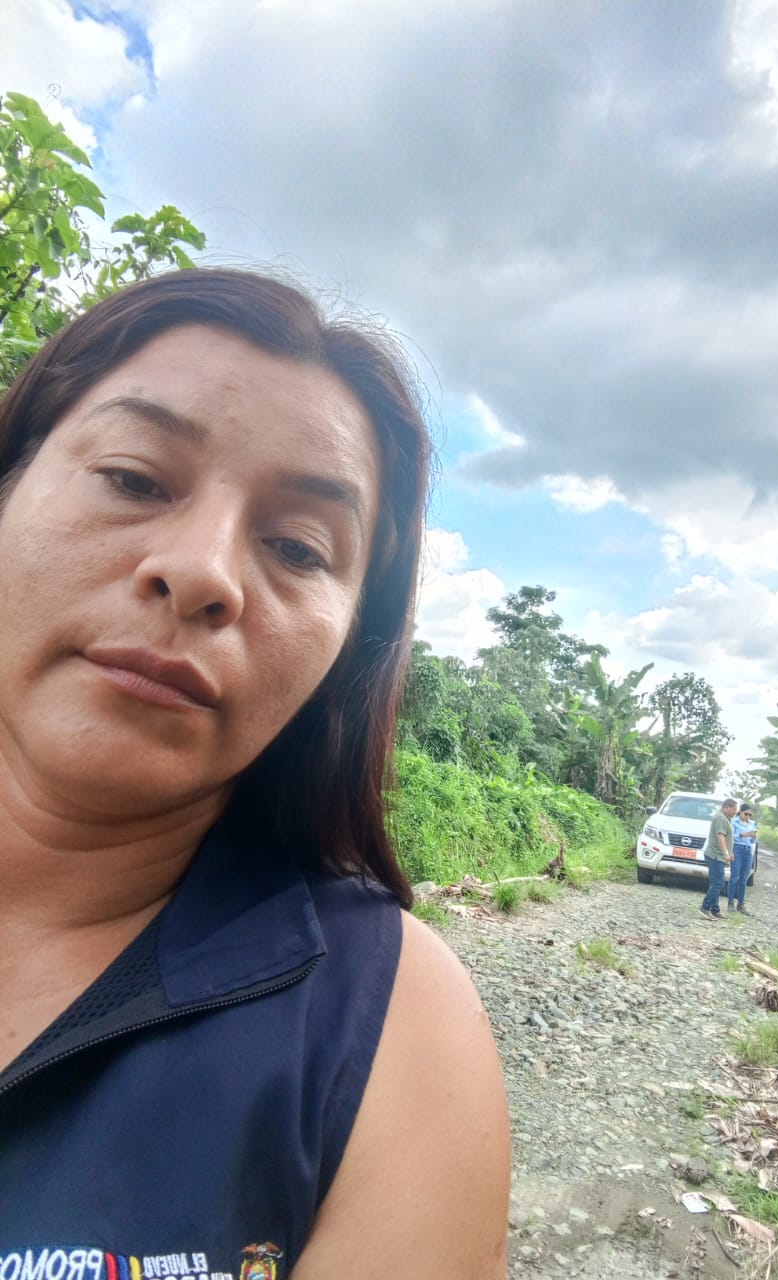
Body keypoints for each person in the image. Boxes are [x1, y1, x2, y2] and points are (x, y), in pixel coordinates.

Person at [0, 269, 511, 1277]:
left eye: (297, 547)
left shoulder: (387, 1027)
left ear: (346, 652)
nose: (201, 572)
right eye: (134, 479)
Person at [699, 798, 737, 921]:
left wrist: (730, 852)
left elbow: (727, 837)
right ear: (726, 807)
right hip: (715, 855)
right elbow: (720, 836)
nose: (735, 812)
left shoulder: (726, 818)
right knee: (718, 883)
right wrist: (726, 853)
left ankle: (715, 909)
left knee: (715, 883)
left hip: (719, 855)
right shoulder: (721, 818)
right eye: (734, 809)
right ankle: (705, 907)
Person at [728, 802, 758, 914]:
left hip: (748, 850)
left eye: (750, 815)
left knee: (744, 879)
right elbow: (730, 836)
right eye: (746, 814)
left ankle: (741, 904)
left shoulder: (752, 824)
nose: (747, 816)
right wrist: (741, 834)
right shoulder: (734, 822)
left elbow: (754, 840)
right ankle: (730, 902)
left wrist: (753, 836)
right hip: (737, 848)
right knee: (734, 876)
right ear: (740, 812)